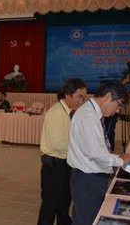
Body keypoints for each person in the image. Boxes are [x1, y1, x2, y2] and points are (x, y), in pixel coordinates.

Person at [67, 81, 130, 225]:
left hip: (88, 178)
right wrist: (121, 161)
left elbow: (97, 149)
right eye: (119, 105)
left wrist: (118, 157)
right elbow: (96, 154)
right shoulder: (88, 116)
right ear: (109, 96)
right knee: (89, 221)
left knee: (82, 220)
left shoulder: (91, 113)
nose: (117, 111)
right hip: (88, 180)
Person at [37, 78, 87, 225]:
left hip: (65, 165)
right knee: (49, 208)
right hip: (54, 167)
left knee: (63, 206)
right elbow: (57, 144)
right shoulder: (56, 112)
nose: (81, 101)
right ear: (67, 94)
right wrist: (82, 148)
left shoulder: (69, 112)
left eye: (83, 97)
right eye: (79, 97)